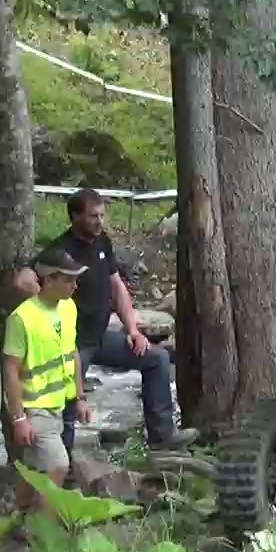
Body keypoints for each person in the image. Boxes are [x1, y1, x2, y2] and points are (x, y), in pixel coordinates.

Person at [48, 189, 198, 453]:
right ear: (75, 216)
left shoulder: (102, 242)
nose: (100, 222)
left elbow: (117, 287)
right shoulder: (61, 252)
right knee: (68, 401)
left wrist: (133, 330)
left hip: (101, 336)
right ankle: (62, 465)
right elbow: (29, 279)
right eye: (93, 216)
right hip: (72, 344)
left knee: (157, 359)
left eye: (102, 215)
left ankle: (162, 438)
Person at [2, 249, 92, 515]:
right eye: (68, 279)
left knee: (31, 472)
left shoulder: (68, 308)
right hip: (34, 408)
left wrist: (80, 397)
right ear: (48, 280)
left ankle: (15, 520)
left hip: (58, 405)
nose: (75, 285)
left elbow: (72, 352)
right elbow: (11, 371)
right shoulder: (21, 319)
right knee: (58, 465)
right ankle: (42, 531)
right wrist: (19, 418)